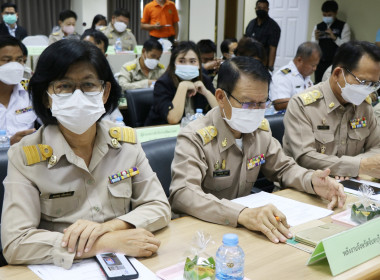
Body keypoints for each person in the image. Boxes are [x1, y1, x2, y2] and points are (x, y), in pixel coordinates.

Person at [1, 39, 171, 268]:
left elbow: (158, 206)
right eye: (64, 86)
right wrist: (104, 243)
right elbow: (15, 243)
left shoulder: (125, 142)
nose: (78, 96)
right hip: (62, 268)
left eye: (89, 85)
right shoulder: (25, 156)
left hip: (129, 262)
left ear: (105, 92)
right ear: (46, 96)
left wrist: (111, 227)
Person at [169, 56, 345, 244]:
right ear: (221, 97)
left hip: (245, 232)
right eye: (247, 103)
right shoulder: (196, 136)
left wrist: (312, 181)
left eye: (262, 103)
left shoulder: (259, 131)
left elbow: (284, 168)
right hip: (202, 235)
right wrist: (242, 214)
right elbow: (183, 193)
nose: (255, 110)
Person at [283, 41, 380, 180]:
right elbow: (305, 157)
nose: (368, 90)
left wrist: (350, 169)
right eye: (364, 82)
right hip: (302, 189)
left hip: (349, 185)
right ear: (337, 74)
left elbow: (377, 147)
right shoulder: (303, 105)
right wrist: (357, 166)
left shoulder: (363, 105)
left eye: (373, 84)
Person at [145, 41, 218, 126]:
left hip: (194, 132)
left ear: (199, 64)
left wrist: (206, 92)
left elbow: (221, 114)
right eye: (182, 61)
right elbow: (173, 119)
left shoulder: (204, 80)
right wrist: (183, 87)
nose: (187, 65)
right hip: (163, 133)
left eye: (193, 61)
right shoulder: (163, 83)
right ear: (174, 64)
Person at [0, 35, 36, 145]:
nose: (15, 65)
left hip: (26, 158)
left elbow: (49, 124)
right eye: (7, 60)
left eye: (19, 60)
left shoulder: (30, 90)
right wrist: (8, 143)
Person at [269, 42, 322, 111]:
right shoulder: (283, 76)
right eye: (312, 65)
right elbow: (279, 104)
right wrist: (306, 99)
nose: (315, 69)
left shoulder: (306, 77)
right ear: (299, 60)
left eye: (316, 65)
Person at [311, 1, 351, 83]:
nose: (326, 17)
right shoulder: (318, 26)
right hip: (320, 62)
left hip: (336, 63)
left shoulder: (343, 26)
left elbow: (347, 46)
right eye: (324, 15)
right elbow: (313, 46)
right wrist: (316, 38)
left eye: (329, 15)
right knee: (318, 85)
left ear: (335, 13)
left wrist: (335, 38)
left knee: (333, 85)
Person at [245, 0, 281, 71]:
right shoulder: (251, 24)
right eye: (259, 8)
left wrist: (270, 68)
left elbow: (273, 49)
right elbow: (246, 43)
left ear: (268, 9)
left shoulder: (273, 27)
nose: (261, 10)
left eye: (264, 8)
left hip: (263, 65)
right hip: (249, 62)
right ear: (255, 9)